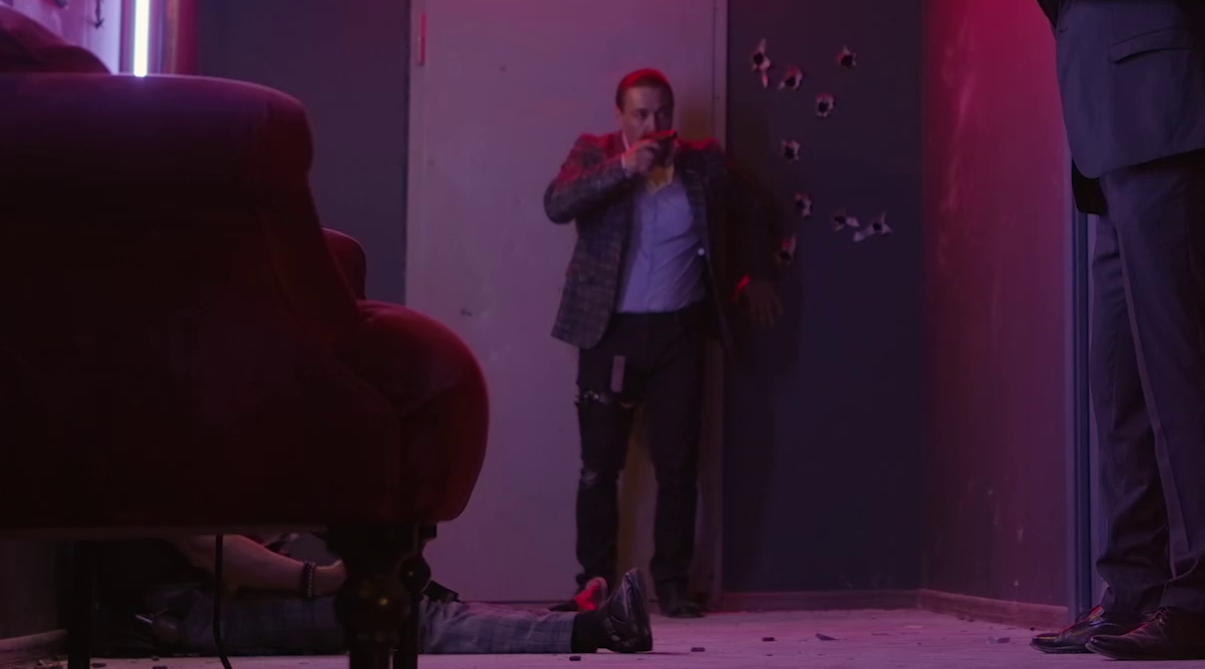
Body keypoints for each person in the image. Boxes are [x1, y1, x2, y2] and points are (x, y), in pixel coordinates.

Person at [1003, 0, 1205, 661]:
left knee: (1178, 376)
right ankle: (1133, 591)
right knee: (1121, 391)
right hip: (1117, 163)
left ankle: (1201, 601)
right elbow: (1101, 4)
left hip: (1169, 146)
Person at [544, 68, 781, 619]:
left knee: (678, 465)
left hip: (678, 334)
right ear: (621, 117)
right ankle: (594, 587)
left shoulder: (701, 163)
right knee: (598, 468)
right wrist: (625, 167)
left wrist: (758, 274)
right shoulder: (596, 152)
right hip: (609, 333)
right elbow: (557, 204)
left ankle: (672, 584)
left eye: (663, 113)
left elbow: (754, 208)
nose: (654, 123)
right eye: (642, 114)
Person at [93, 535, 650, 656]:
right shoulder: (146, 425)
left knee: (411, 600)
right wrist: (320, 580)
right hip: (183, 610)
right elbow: (203, 545)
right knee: (405, 621)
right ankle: (596, 628)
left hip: (202, 593)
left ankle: (552, 622)